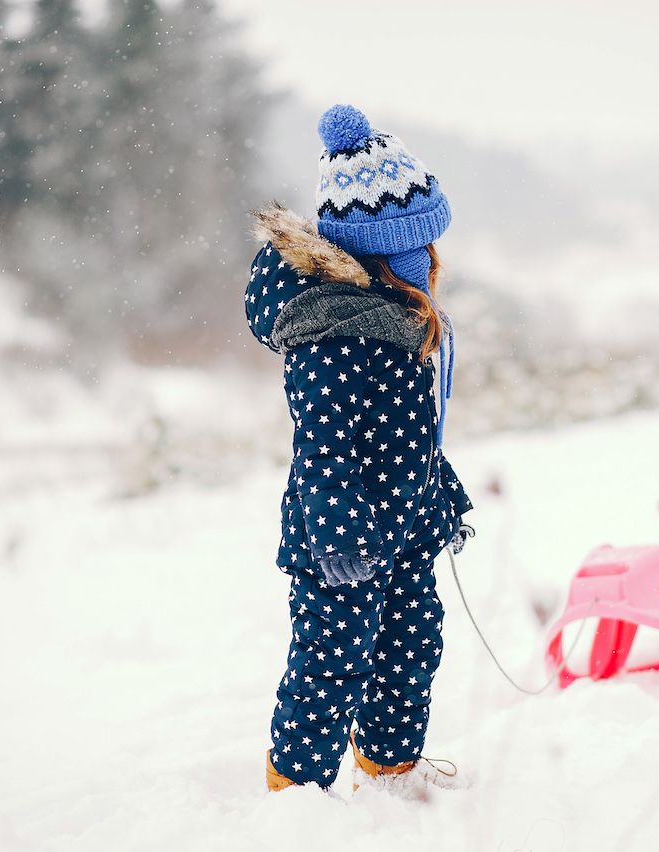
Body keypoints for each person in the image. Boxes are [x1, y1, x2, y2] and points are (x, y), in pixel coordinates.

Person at [243, 104, 474, 792]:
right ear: (391, 252)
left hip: (403, 528)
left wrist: (443, 498)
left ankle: (391, 769)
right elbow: (325, 453)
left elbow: (409, 437)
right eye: (423, 250)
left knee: (410, 648)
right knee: (333, 659)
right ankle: (297, 793)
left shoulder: (400, 323)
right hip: (341, 537)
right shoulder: (333, 337)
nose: (434, 263)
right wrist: (342, 534)